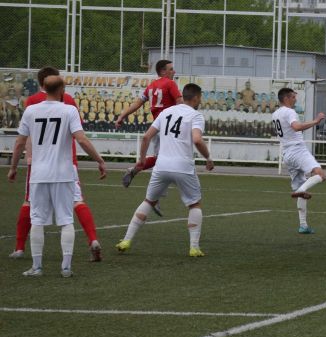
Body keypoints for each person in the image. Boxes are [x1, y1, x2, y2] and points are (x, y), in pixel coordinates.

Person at [8, 75, 106, 277]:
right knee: (66, 220)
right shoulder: (69, 110)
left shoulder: (31, 110)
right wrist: (99, 160)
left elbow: (19, 142)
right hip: (64, 173)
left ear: (43, 87)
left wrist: (13, 167)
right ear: (62, 90)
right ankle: (66, 267)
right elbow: (82, 140)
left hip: (39, 173)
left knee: (37, 220)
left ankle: (37, 267)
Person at [115, 83, 214, 256]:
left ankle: (126, 240)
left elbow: (146, 137)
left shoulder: (166, 112)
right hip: (183, 166)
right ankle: (194, 247)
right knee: (194, 204)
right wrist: (208, 158)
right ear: (196, 97)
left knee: (148, 201)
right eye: (200, 98)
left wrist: (142, 160)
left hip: (161, 166)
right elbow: (197, 140)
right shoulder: (196, 115)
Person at [115, 59, 183, 192]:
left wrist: (122, 116)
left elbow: (137, 103)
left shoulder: (151, 86)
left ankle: (136, 171)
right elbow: (180, 102)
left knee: (160, 158)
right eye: (171, 69)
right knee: (174, 155)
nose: (174, 72)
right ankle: (162, 189)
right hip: (169, 127)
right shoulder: (170, 83)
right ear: (163, 71)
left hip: (157, 126)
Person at [272, 87, 326, 234]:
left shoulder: (275, 114)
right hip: (297, 150)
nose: (295, 99)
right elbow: (296, 127)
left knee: (302, 190)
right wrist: (316, 121)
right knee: (320, 175)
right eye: (293, 97)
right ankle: (300, 190)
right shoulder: (289, 111)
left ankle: (303, 225)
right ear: (286, 98)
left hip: (287, 154)